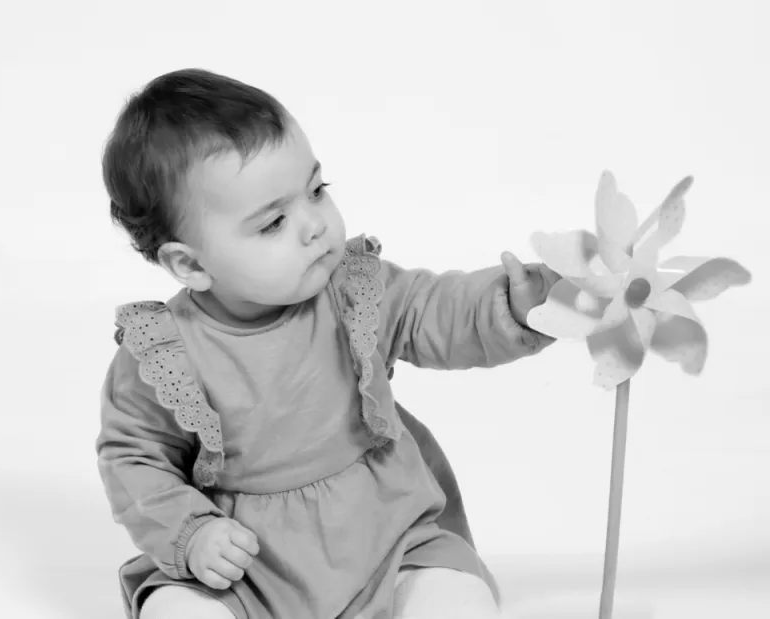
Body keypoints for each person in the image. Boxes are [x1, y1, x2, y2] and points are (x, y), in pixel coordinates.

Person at [96, 68, 558, 619]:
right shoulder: (163, 354)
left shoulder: (355, 290)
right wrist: (191, 534)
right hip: (246, 566)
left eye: (316, 191)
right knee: (177, 610)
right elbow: (134, 458)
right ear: (190, 263)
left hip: (385, 534)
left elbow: (434, 310)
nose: (314, 225)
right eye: (273, 223)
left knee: (455, 598)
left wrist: (511, 304)